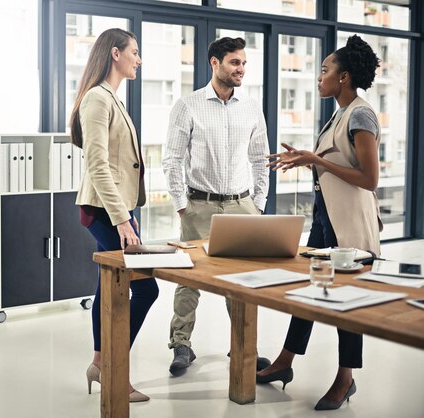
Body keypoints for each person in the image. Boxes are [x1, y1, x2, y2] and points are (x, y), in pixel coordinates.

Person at [258, 34, 382, 411]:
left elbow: (370, 179)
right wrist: (310, 160)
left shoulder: (361, 113)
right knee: (311, 291)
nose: (319, 76)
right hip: (325, 218)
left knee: (347, 302)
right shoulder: (339, 114)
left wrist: (317, 161)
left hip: (350, 225)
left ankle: (346, 379)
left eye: (325, 70)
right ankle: (284, 362)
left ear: (343, 77)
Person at [162, 37, 271, 376]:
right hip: (200, 205)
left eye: (243, 63)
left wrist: (258, 204)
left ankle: (244, 347)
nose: (240, 69)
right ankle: (182, 345)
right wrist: (183, 206)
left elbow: (260, 159)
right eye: (234, 63)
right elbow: (172, 159)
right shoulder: (188, 105)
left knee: (242, 281)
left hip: (242, 206)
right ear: (214, 63)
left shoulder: (251, 107)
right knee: (189, 277)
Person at [70, 28, 159, 403]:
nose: (138, 59)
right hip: (107, 211)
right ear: (115, 54)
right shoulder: (97, 100)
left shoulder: (111, 98)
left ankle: (99, 363)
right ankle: (111, 369)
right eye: (134, 52)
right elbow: (97, 164)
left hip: (116, 209)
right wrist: (123, 219)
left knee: (108, 286)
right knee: (144, 288)